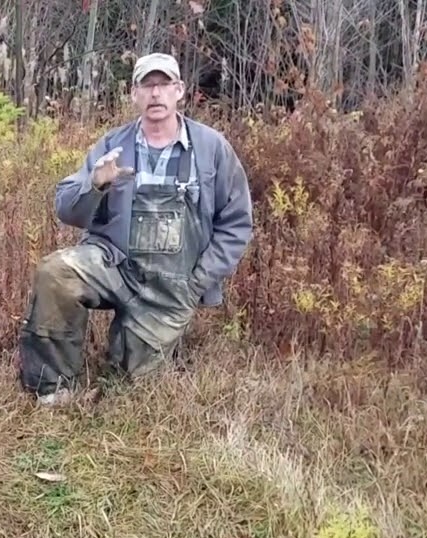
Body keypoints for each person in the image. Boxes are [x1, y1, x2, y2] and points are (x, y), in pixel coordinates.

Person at [16, 52, 254, 406]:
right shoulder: (113, 145)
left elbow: (236, 223)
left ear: (180, 91)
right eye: (147, 85)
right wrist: (95, 184)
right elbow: (66, 208)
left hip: (172, 287)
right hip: (114, 266)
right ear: (134, 94)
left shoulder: (211, 148)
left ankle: (138, 346)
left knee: (130, 381)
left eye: (164, 84)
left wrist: (198, 281)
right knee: (56, 272)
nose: (156, 94)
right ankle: (53, 389)